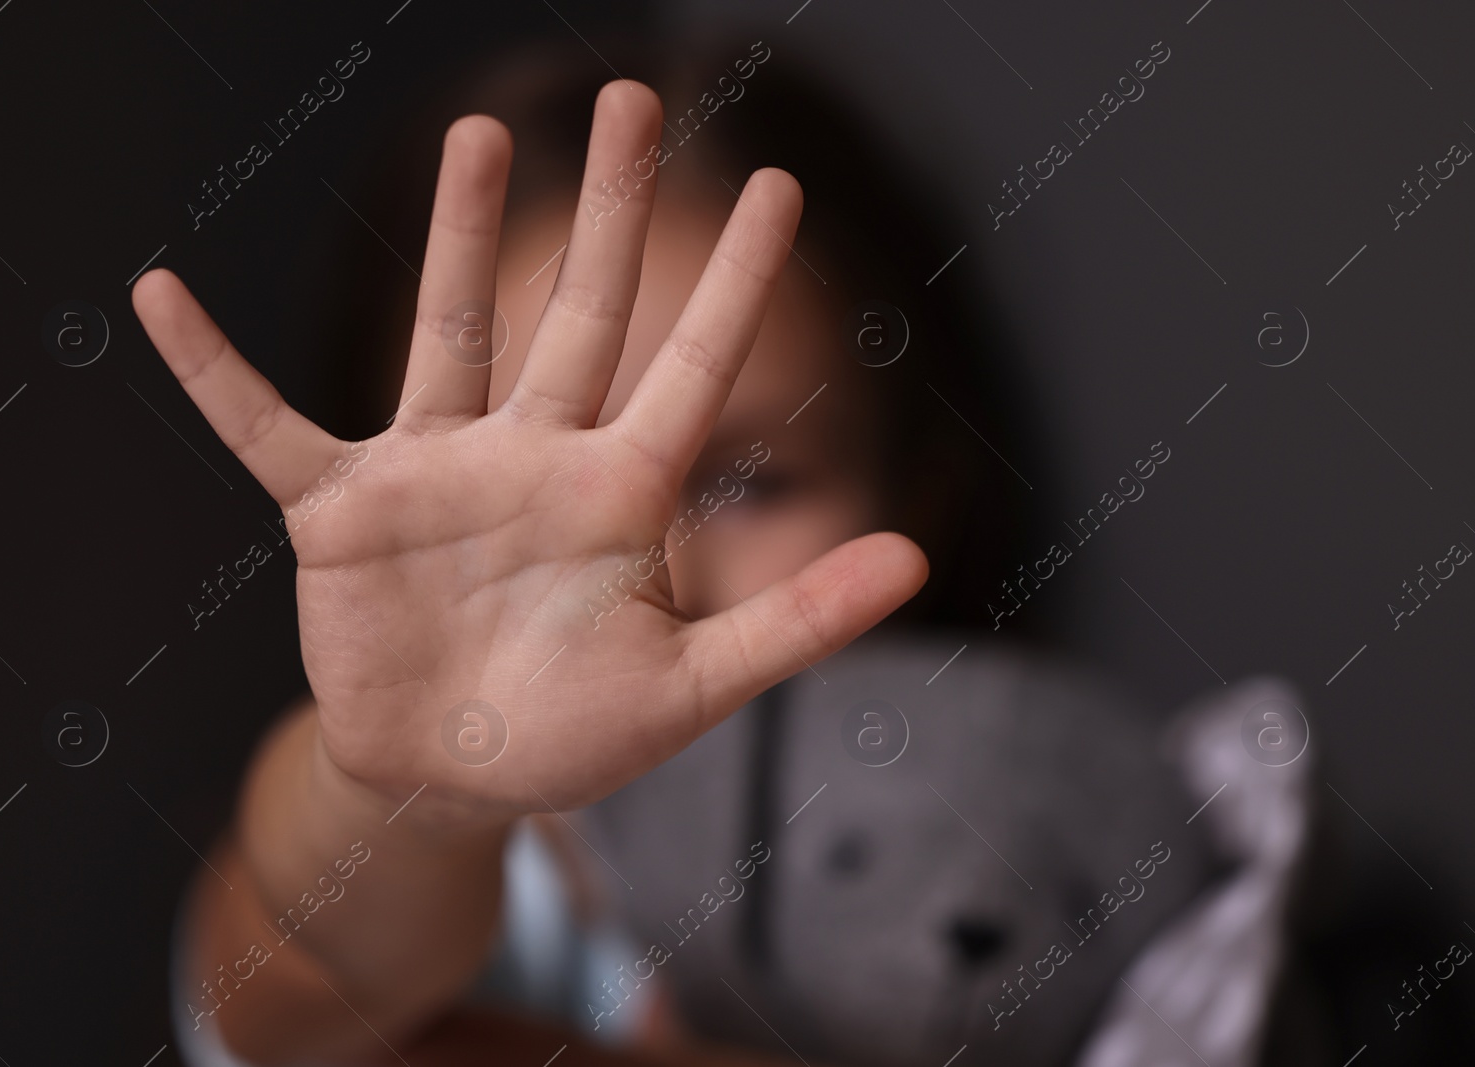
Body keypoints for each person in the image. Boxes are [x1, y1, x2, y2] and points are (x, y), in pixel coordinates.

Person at [137, 44, 1318, 1067]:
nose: (640, 583)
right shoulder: (508, 896)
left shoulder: (1063, 844)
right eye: (510, 520)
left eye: (751, 480)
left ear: (922, 495)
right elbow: (282, 990)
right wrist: (412, 791)